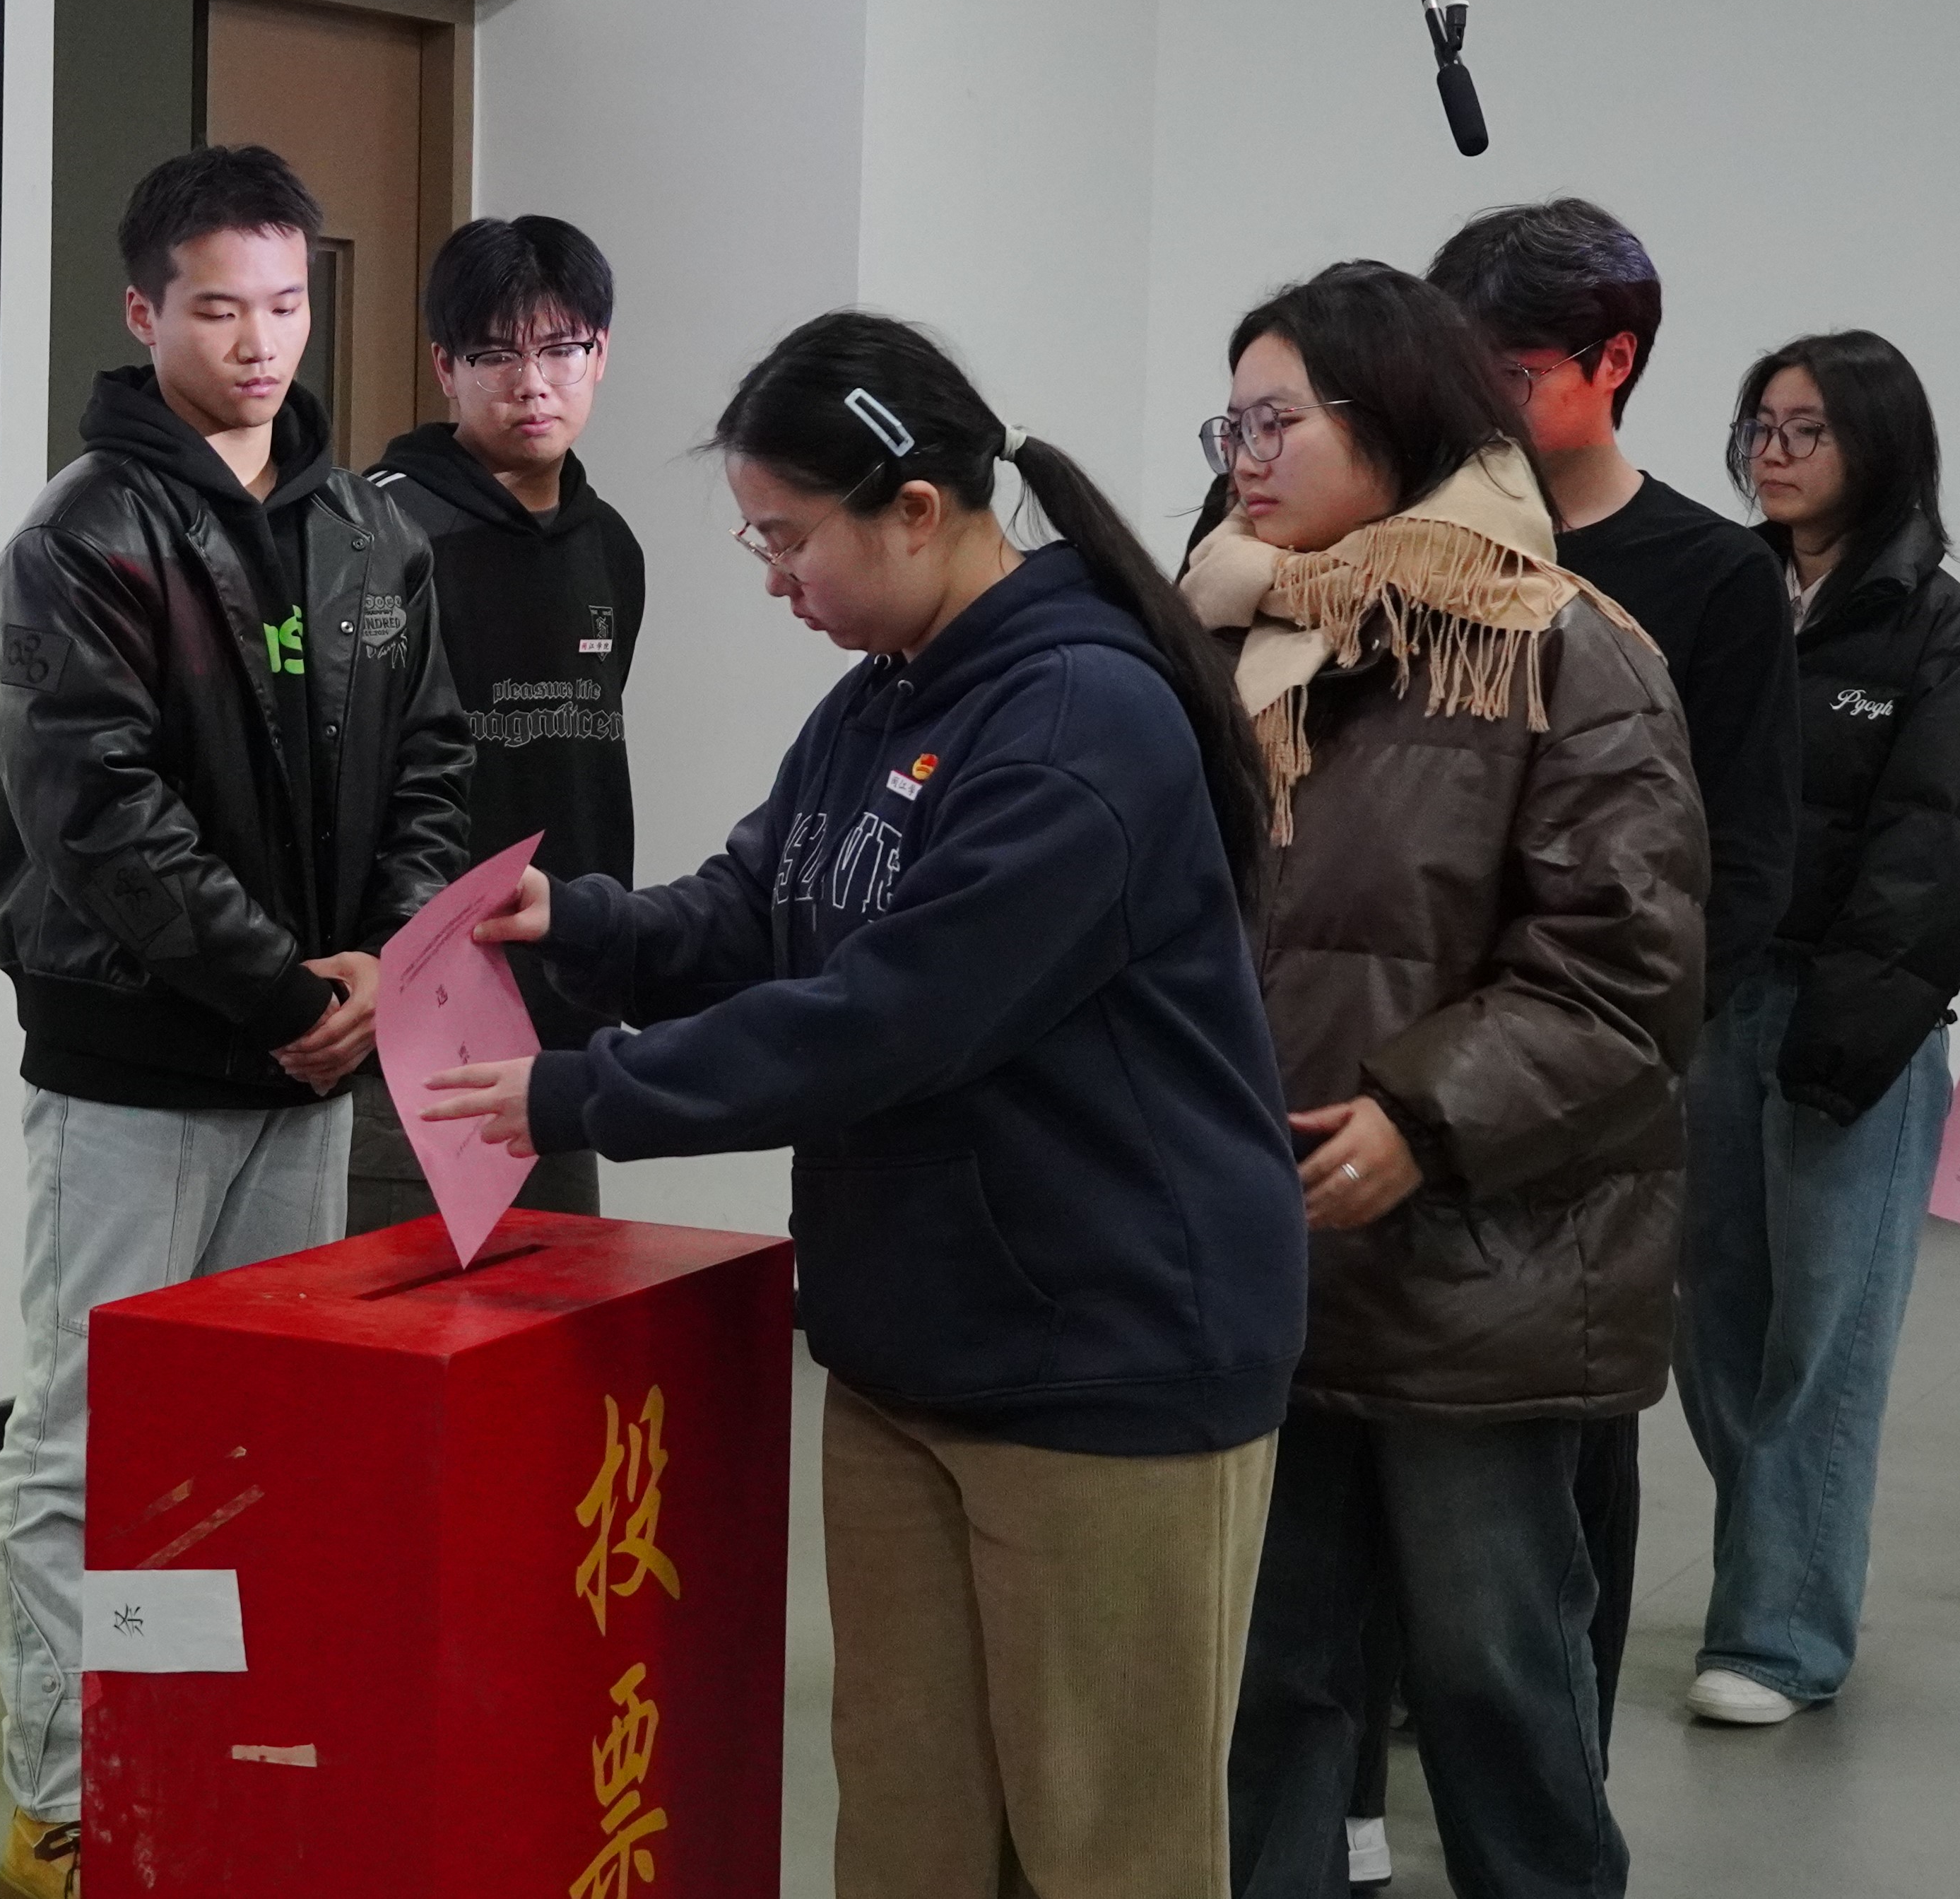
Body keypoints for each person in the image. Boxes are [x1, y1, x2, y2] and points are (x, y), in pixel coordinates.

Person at [427, 311, 1306, 1897]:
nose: (774, 577)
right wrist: (583, 925)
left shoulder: (1079, 718)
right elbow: (761, 903)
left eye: (788, 538)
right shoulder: (883, 696)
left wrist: (583, 1091)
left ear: (913, 510)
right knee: (909, 1820)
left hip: (1105, 1353)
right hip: (916, 1344)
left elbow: (893, 1017)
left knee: (1107, 1840)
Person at [0, 143, 474, 1896]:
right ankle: (61, 1790)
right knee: (87, 1434)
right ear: (142, 312)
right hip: (137, 1067)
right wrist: (286, 990)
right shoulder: (79, 537)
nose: (259, 344)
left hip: (309, 1062)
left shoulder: (369, 530)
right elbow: (98, 818)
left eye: (283, 305)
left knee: (247, 1436)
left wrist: (383, 962)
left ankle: (194, 1746)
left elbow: (433, 763)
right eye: (216, 309)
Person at [1190, 262, 1704, 1899]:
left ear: (1391, 419)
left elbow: (1621, 971)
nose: (1241, 458)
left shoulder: (1561, 649)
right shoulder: (1233, 640)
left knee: (1495, 1683)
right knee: (1269, 1681)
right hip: (1269, 1254)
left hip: (1481, 1267)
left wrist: (1422, 1115)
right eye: (1227, 424)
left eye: (1274, 421)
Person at [1425, 201, 1799, 1758]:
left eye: (1509, 373)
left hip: (1598, 1068)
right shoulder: (1415, 548)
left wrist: (1623, 1048)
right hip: (1410, 1050)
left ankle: (1553, 1742)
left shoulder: (1709, 577)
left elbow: (1745, 863)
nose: (1477, 408)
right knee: (1389, 1399)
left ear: (1614, 361)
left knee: (1568, 1404)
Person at [1675, 333, 1960, 1724]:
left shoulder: (1935, 629)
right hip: (1713, 1005)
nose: (1772, 452)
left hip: (1853, 1026)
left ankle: (1779, 1638)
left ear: (1877, 447)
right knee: (1713, 1327)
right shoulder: (1725, 597)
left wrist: (1849, 1028)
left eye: (1806, 428)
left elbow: (1949, 842)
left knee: (1822, 1343)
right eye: (1759, 426)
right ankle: (1769, 1581)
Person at [346, 214, 642, 1232]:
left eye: (562, 349)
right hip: (412, 1024)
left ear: (601, 354)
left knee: (557, 1309)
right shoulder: (373, 533)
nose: (533, 383)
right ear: (445, 367)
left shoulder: (612, 545)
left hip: (563, 1021)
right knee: (398, 1309)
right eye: (495, 355)